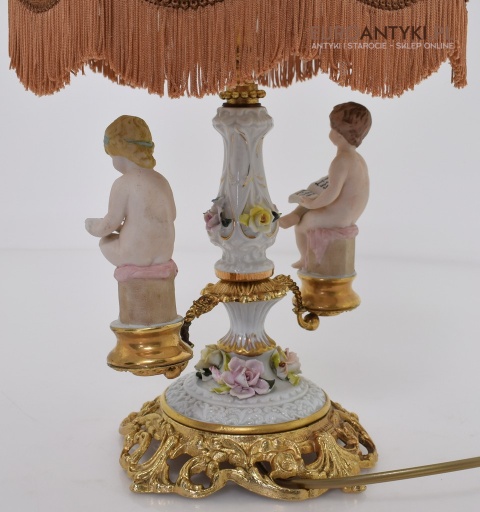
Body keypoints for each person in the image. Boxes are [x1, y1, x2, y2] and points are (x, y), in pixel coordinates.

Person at [279, 102, 371, 269]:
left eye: (332, 129)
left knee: (302, 225)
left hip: (339, 217)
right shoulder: (358, 159)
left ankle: (304, 258)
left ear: (339, 134)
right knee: (314, 193)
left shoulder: (341, 160)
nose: (331, 132)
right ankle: (295, 214)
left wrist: (312, 204)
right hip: (351, 213)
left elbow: (332, 194)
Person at [85, 115, 176, 268]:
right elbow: (172, 215)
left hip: (135, 255)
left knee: (105, 241)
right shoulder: (162, 180)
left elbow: (110, 223)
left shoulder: (123, 184)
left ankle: (134, 267)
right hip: (165, 252)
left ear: (120, 153)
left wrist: (93, 227)